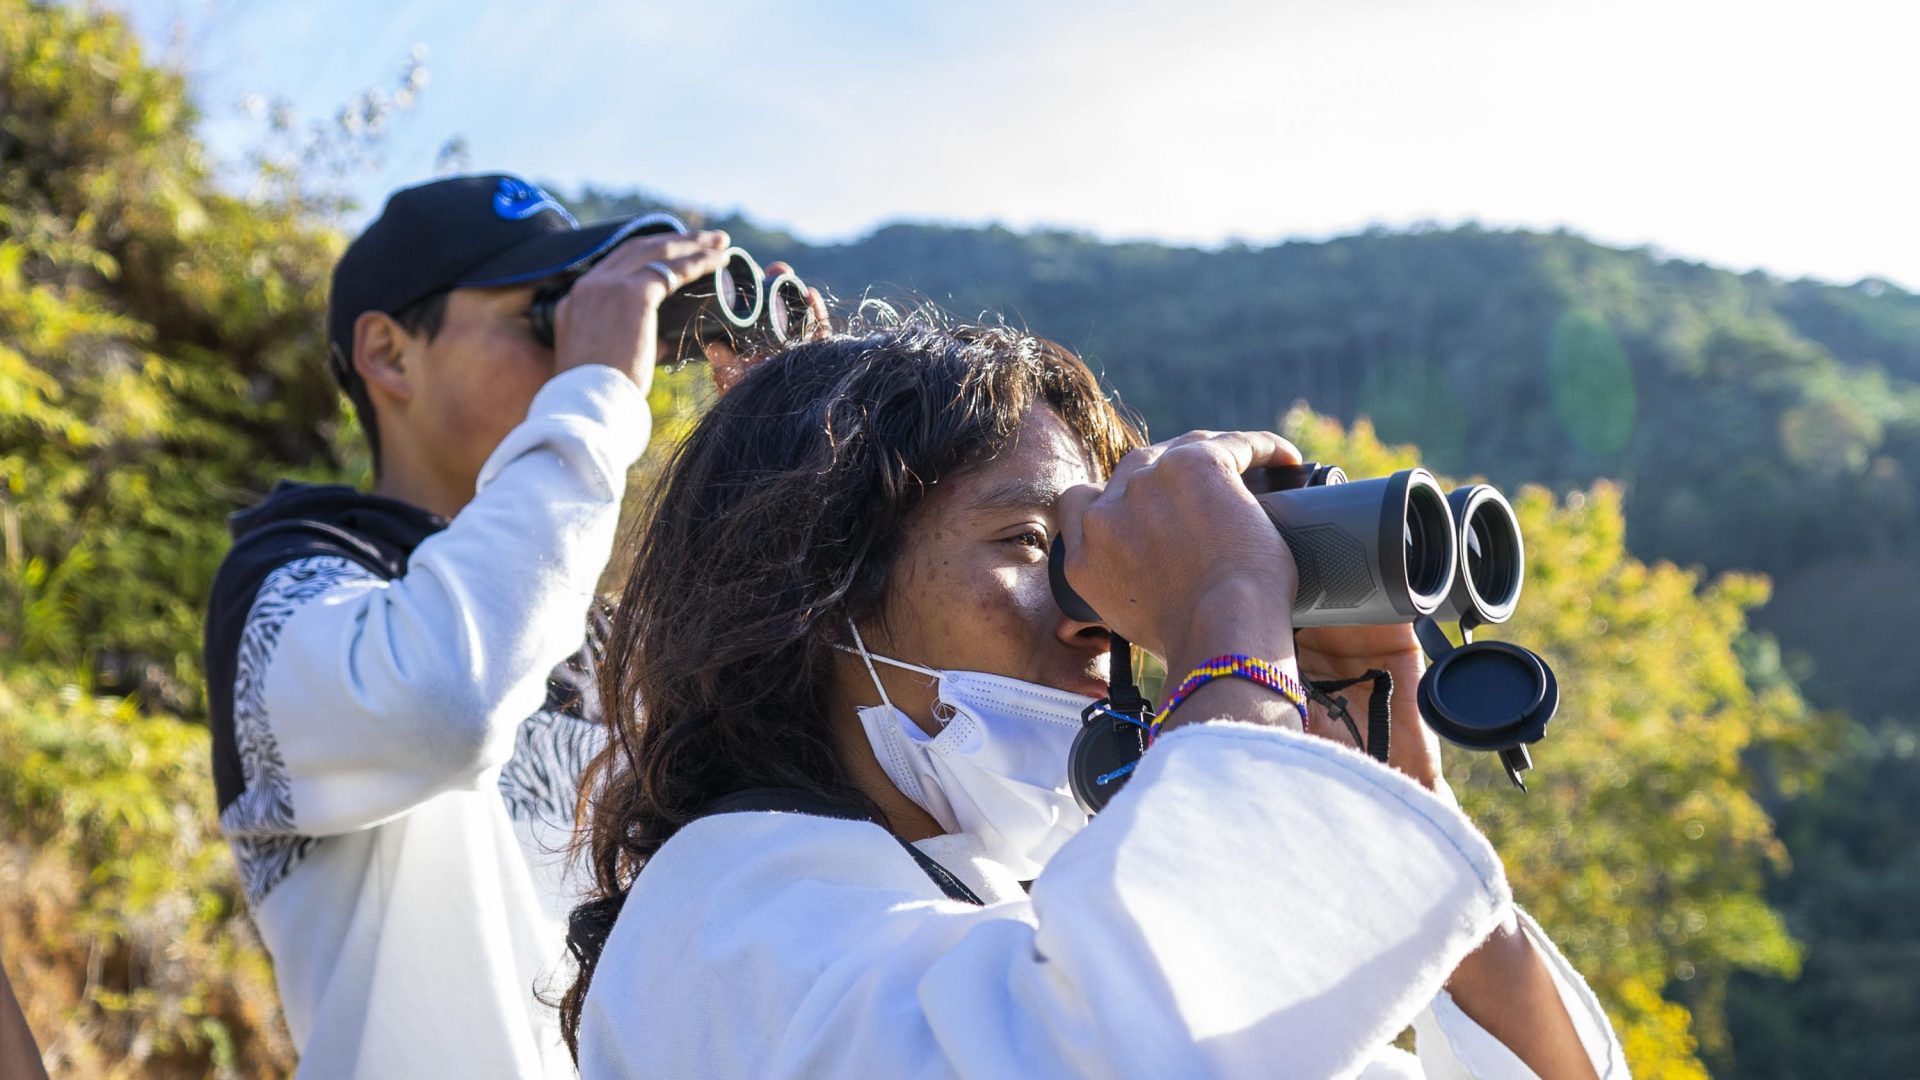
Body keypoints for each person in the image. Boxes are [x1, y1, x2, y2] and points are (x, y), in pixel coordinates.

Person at [560, 317, 1629, 1078]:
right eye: (1035, 545)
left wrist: (1392, 802)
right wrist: (1222, 619)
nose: (1103, 618)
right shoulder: (719, 918)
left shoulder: (1020, 907)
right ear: (812, 588)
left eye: (1102, 560)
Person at [200, 172, 819, 1078]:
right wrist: (597, 391)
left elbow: (775, 811)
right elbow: (447, 703)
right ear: (389, 352)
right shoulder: (294, 584)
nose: (573, 347)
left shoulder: (586, 628)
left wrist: (786, 460)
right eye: (545, 314)